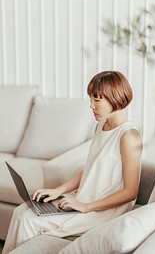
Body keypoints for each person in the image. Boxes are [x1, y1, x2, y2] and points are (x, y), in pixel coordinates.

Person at [3, 70, 142, 253]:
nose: (91, 105)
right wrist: (58, 191)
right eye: (90, 98)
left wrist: (86, 207)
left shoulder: (129, 136)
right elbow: (91, 169)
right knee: (21, 211)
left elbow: (130, 192)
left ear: (114, 98)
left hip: (103, 209)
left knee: (28, 220)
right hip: (85, 198)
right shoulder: (101, 126)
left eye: (96, 99)